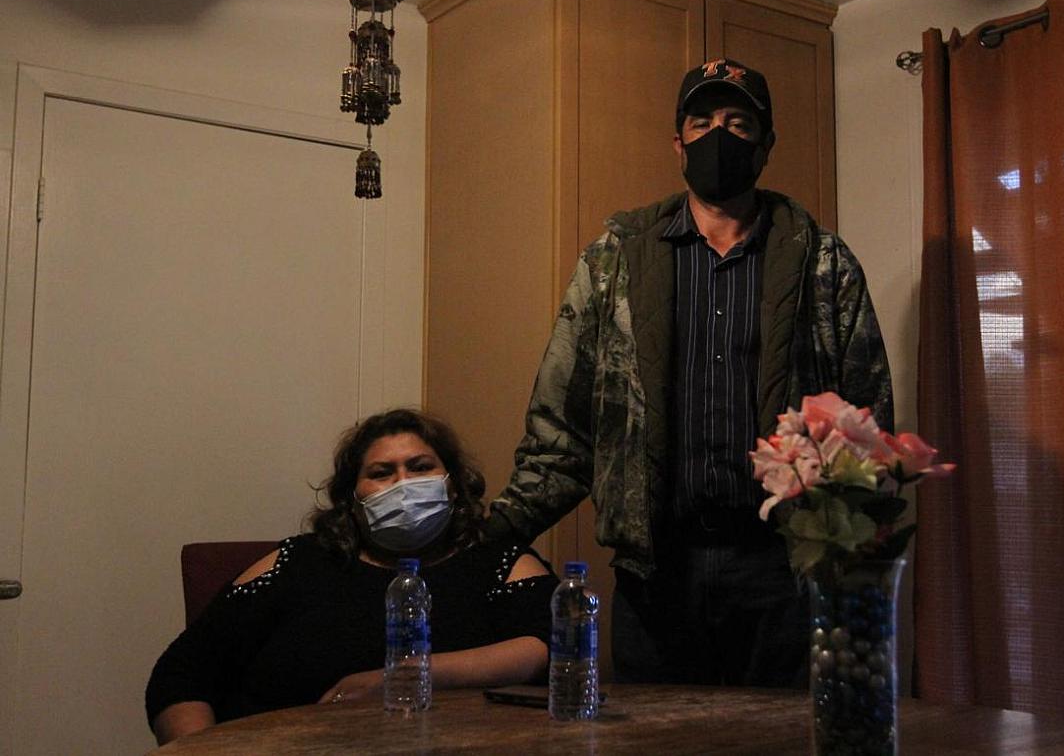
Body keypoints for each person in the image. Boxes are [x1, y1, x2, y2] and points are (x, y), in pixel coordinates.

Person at [484, 59, 892, 686]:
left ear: (765, 143)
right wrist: (488, 537)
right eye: (700, 123)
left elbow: (866, 422)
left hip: (780, 570)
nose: (717, 136)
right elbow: (563, 430)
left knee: (778, 741)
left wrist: (853, 557)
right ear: (678, 142)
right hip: (657, 573)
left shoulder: (823, 263)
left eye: (737, 123)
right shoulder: (612, 262)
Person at [145, 408, 557, 745]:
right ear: (352, 498)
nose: (403, 484)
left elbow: (553, 644)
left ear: (452, 485)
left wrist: (407, 676)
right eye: (381, 473)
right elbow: (182, 675)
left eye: (420, 467)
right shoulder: (299, 562)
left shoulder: (494, 560)